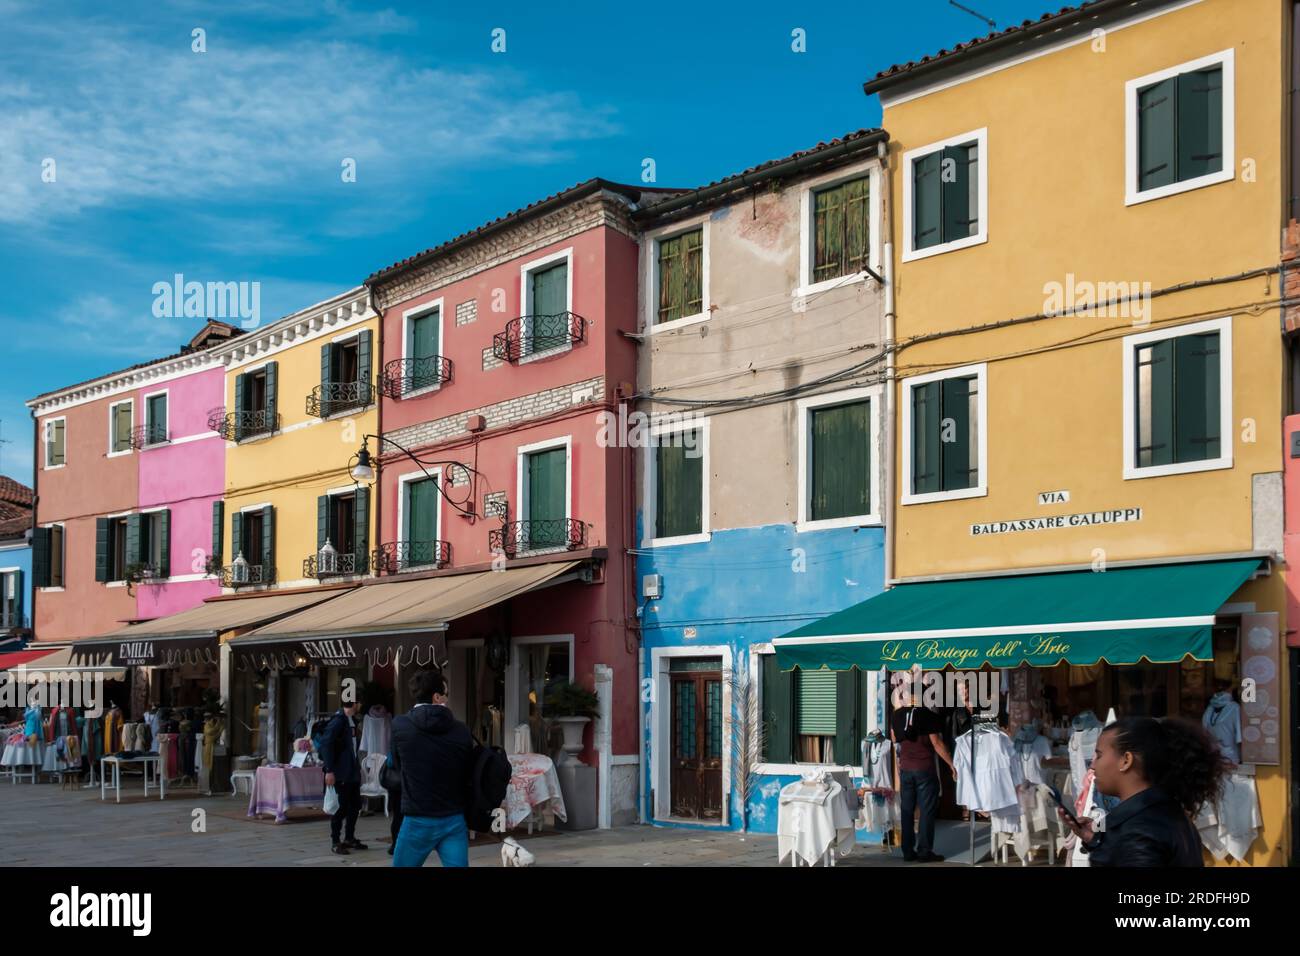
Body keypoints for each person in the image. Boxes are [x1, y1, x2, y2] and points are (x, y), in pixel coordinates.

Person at [1057, 716, 1228, 867]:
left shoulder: (1138, 832)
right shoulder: (1164, 813)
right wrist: (1096, 840)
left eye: (1099, 755)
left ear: (1126, 760)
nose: (1092, 765)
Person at [390, 669, 476, 868]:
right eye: (446, 694)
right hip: (452, 817)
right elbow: (467, 769)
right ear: (437, 697)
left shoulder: (400, 725)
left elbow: (396, 764)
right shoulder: (461, 730)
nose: (447, 698)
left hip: (416, 817)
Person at [890, 689, 956, 863]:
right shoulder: (928, 715)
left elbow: (895, 738)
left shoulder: (896, 716)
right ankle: (924, 851)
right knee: (927, 811)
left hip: (905, 769)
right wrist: (951, 764)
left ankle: (907, 851)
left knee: (907, 811)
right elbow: (937, 743)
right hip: (924, 769)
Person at [320, 700, 367, 855]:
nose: (360, 705)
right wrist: (329, 770)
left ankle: (349, 838)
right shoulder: (339, 721)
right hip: (340, 772)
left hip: (352, 771)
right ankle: (335, 841)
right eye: (359, 702)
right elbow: (326, 744)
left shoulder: (352, 721)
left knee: (355, 805)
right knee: (340, 807)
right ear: (354, 703)